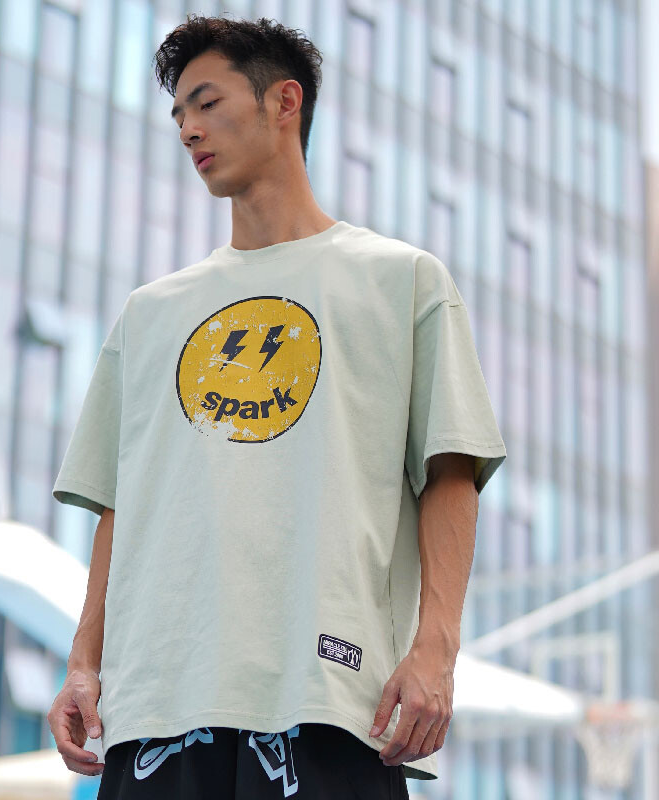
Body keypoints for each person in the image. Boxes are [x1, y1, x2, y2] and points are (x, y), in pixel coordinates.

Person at [46, 13, 507, 800]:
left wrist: (436, 650)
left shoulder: (402, 281)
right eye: (178, 115)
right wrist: (83, 662)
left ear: (283, 102)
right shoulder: (150, 313)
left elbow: (450, 471)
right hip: (157, 706)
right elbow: (121, 504)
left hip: (326, 697)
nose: (188, 130)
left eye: (207, 103)